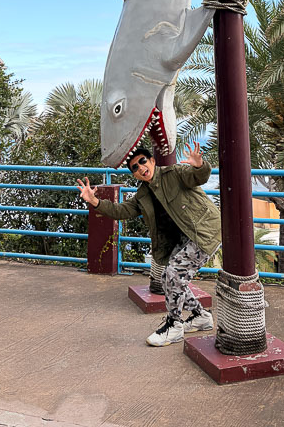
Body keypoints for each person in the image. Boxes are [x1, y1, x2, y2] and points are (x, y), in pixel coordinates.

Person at [76, 141, 221, 347]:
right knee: (168, 277)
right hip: (185, 236)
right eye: (135, 167)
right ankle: (200, 316)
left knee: (174, 273)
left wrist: (199, 165)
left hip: (204, 230)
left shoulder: (175, 173)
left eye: (143, 161)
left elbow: (198, 177)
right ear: (134, 174)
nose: (140, 168)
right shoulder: (143, 194)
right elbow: (122, 211)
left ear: (152, 161)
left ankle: (174, 325)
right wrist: (95, 202)